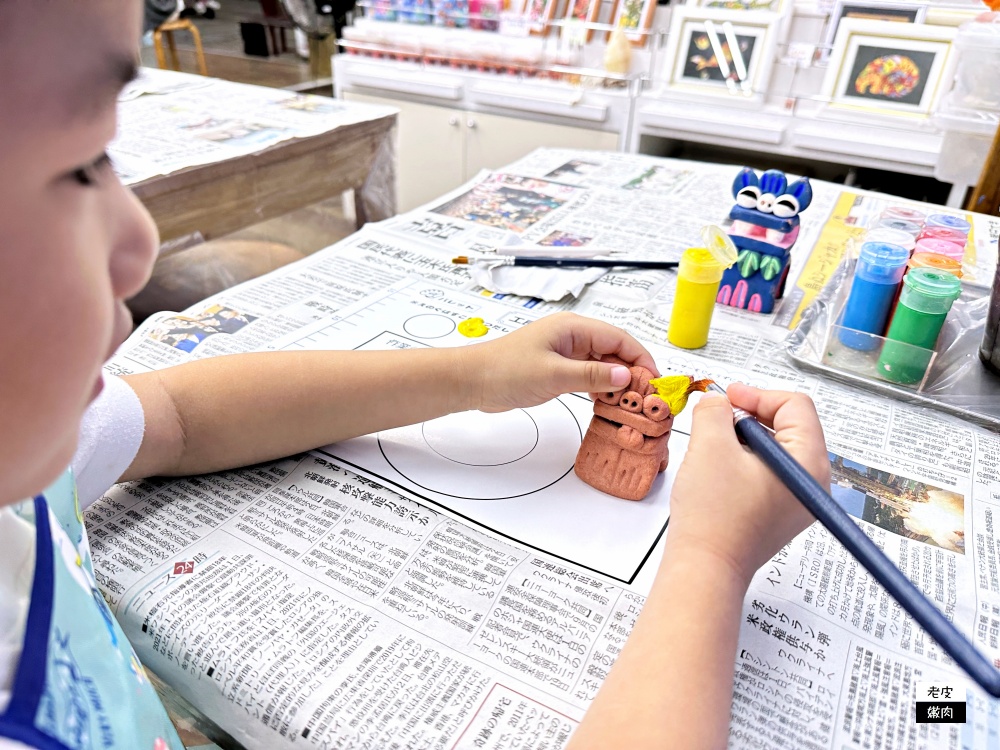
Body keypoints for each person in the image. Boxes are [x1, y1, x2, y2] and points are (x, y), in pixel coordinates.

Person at [0, 3, 830, 749]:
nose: (143, 242)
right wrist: (712, 562)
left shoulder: (26, 445)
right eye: (77, 165)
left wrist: (477, 372)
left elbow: (175, 413)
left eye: (114, 155)